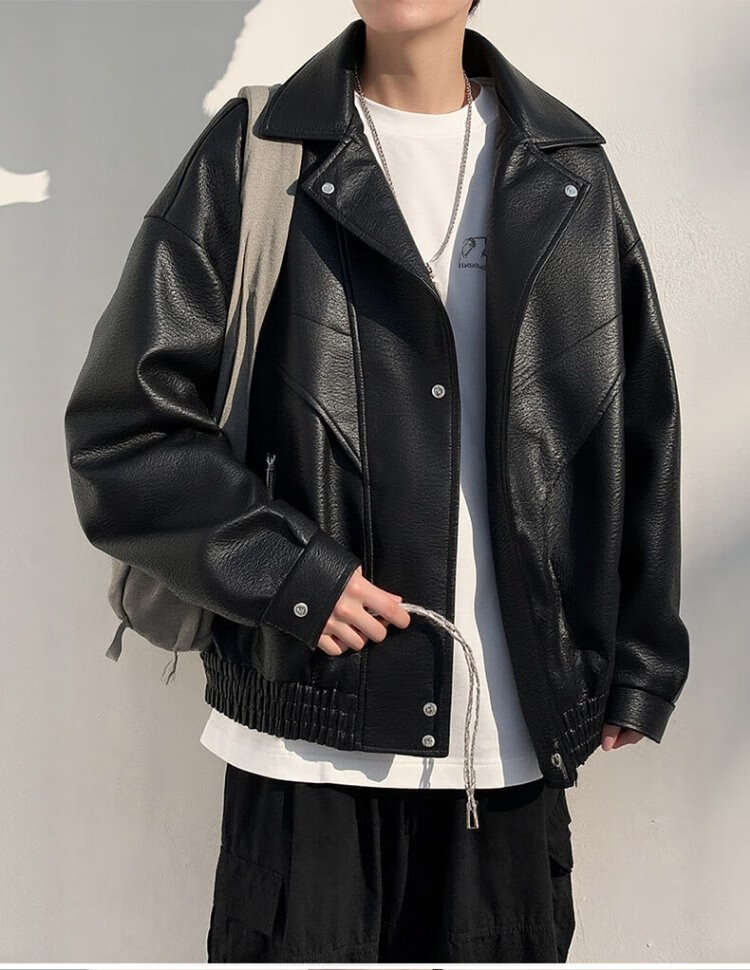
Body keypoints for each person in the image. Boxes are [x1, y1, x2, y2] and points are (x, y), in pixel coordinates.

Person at [64, 0, 690, 963]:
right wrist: (287, 571)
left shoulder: (565, 170)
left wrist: (640, 659)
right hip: (305, 740)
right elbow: (125, 430)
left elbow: (630, 423)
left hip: (506, 744)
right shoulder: (260, 150)